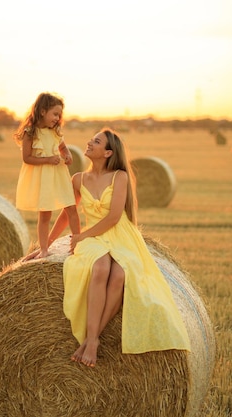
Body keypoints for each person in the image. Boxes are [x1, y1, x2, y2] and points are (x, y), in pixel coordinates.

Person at [38, 127, 191, 367]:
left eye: (96, 141)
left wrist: (82, 236)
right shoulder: (78, 179)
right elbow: (66, 215)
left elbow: (113, 217)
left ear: (108, 152)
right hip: (95, 239)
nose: (89, 142)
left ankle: (92, 339)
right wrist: (45, 244)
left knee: (119, 274)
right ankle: (92, 339)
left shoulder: (120, 177)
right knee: (100, 268)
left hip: (120, 235)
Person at [14, 92, 80, 258]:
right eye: (55, 114)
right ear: (43, 111)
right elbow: (27, 158)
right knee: (45, 215)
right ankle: (44, 249)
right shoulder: (30, 133)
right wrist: (48, 159)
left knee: (71, 207)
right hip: (43, 178)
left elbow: (63, 147)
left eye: (59, 115)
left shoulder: (56, 132)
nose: (58, 118)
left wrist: (68, 155)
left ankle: (77, 243)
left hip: (59, 175)